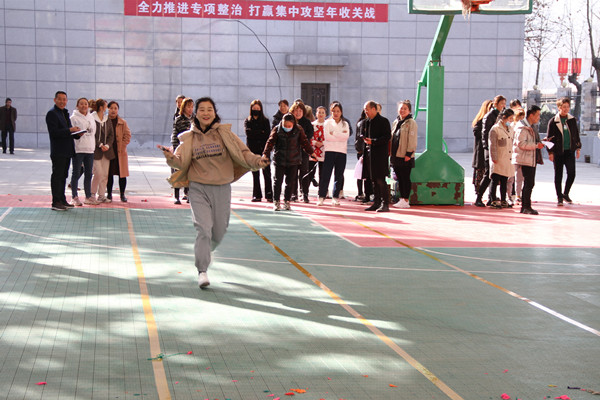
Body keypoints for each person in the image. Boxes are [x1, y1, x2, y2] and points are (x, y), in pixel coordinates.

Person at [159, 97, 269, 288]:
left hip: (222, 187)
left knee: (218, 232)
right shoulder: (189, 138)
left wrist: (257, 161)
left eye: (209, 109)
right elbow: (180, 161)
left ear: (214, 112)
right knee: (203, 229)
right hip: (198, 188)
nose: (206, 113)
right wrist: (170, 157)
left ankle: (205, 252)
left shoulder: (225, 134)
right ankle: (202, 270)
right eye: (202, 109)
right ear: (196, 114)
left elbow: (243, 153)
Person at [263, 113, 315, 211]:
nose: (287, 127)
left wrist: (311, 152)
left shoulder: (298, 129)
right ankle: (276, 201)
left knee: (290, 182)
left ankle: (287, 201)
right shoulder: (277, 129)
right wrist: (265, 154)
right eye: (285, 125)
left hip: (293, 160)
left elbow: (304, 142)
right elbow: (270, 142)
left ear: (293, 124)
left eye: (289, 126)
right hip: (279, 160)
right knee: (277, 181)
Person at [45, 91, 82, 211]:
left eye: (64, 99)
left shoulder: (65, 113)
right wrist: (70, 130)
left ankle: (62, 200)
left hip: (67, 150)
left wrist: (77, 134)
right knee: (57, 176)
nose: (62, 101)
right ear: (55, 100)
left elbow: (68, 131)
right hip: (58, 151)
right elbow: (54, 133)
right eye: (59, 99)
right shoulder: (52, 113)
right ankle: (55, 202)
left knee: (63, 176)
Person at [546, 97, 581, 206]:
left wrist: (578, 148)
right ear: (559, 107)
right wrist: (550, 152)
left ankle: (565, 193)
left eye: (568, 107)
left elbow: (576, 134)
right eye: (564, 107)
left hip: (569, 151)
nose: (566, 109)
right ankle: (559, 197)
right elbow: (549, 138)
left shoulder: (572, 120)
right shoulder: (553, 121)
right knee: (558, 175)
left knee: (572, 173)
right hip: (558, 152)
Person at [475, 95, 506, 207]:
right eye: (502, 103)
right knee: (489, 173)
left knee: (495, 175)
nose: (503, 106)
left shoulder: (500, 115)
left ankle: (491, 198)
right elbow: (485, 133)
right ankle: (479, 197)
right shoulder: (489, 116)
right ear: (495, 104)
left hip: (498, 148)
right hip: (490, 148)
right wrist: (487, 148)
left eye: (504, 104)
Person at [513, 105, 544, 215]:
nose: (539, 117)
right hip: (525, 158)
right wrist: (536, 145)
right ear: (531, 115)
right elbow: (521, 144)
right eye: (537, 115)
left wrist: (539, 143)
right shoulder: (522, 128)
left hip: (530, 158)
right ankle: (525, 206)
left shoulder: (531, 127)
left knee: (530, 183)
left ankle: (526, 206)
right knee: (528, 183)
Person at [317, 102, 350, 206]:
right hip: (329, 151)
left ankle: (335, 197)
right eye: (334, 111)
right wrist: (339, 135)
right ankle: (321, 196)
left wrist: (334, 133)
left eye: (338, 111)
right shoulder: (327, 123)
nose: (336, 113)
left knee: (339, 175)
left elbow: (346, 137)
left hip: (342, 152)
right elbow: (327, 137)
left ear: (341, 112)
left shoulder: (345, 124)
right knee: (325, 175)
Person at [363, 100, 391, 212]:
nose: (365, 111)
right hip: (370, 154)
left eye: (367, 109)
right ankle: (376, 202)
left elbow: (387, 137)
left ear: (374, 109)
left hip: (380, 155)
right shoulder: (367, 122)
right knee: (373, 180)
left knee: (380, 180)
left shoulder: (384, 121)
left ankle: (385, 203)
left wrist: (373, 141)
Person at [70, 98, 98, 206]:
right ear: (77, 106)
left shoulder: (91, 117)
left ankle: (88, 197)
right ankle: (74, 197)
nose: (84, 106)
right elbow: (72, 133)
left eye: (85, 104)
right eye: (81, 104)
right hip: (78, 149)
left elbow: (93, 132)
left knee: (88, 174)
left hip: (90, 149)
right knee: (76, 173)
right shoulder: (73, 118)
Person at [485, 108, 515, 209]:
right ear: (504, 118)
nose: (511, 121)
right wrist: (494, 158)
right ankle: (493, 200)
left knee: (504, 180)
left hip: (507, 159)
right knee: (495, 180)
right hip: (498, 159)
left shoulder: (510, 129)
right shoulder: (495, 129)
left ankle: (503, 200)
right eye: (510, 118)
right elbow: (492, 145)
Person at [244, 99, 273, 203]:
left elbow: (267, 135)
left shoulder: (265, 121)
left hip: (264, 150)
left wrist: (257, 133)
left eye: (258, 108)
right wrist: (260, 132)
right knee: (255, 173)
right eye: (254, 108)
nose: (256, 110)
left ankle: (269, 195)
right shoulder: (248, 121)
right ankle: (257, 195)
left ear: (261, 109)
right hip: (252, 151)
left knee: (267, 173)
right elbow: (249, 134)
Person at [390, 100, 418, 209]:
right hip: (396, 155)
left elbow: (412, 139)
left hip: (405, 156)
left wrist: (409, 153)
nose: (402, 110)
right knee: (400, 178)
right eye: (401, 108)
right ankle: (402, 199)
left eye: (405, 108)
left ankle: (406, 199)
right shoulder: (396, 121)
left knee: (405, 178)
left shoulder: (411, 123)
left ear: (409, 110)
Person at [106, 101, 132, 203]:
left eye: (115, 108)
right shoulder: (104, 121)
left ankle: (122, 194)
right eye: (111, 108)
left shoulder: (122, 122)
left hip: (120, 152)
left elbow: (128, 135)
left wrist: (122, 145)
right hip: (108, 151)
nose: (113, 110)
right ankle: (109, 194)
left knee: (122, 174)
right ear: (107, 109)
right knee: (109, 174)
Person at [90, 99, 115, 203]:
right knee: (98, 173)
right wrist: (100, 144)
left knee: (105, 174)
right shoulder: (92, 118)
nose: (107, 108)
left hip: (106, 151)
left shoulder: (107, 118)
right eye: (106, 106)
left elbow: (111, 134)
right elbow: (91, 133)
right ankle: (92, 194)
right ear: (101, 107)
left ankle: (101, 195)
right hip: (96, 150)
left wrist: (107, 145)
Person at [289, 101, 314, 202]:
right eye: (296, 110)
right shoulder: (289, 121)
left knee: (304, 173)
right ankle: (293, 194)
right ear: (292, 111)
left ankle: (305, 194)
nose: (298, 113)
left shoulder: (307, 122)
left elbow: (310, 135)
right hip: (292, 152)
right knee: (293, 174)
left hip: (303, 151)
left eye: (300, 111)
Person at [171, 97, 194, 204]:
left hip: (191, 150)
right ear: (184, 107)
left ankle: (188, 194)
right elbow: (177, 135)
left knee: (190, 173)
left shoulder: (195, 119)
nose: (190, 109)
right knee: (178, 173)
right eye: (188, 107)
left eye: (192, 107)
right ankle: (176, 196)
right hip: (180, 149)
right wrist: (176, 150)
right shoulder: (179, 119)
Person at [303, 106, 326, 198]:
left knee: (323, 174)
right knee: (310, 172)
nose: (320, 114)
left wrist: (323, 143)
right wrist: (315, 142)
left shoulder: (328, 125)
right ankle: (305, 192)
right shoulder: (312, 124)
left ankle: (322, 193)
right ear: (316, 114)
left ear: (325, 114)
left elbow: (330, 138)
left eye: (322, 112)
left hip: (324, 152)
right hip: (313, 152)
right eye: (319, 112)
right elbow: (308, 137)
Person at [471, 99, 492, 197]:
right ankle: (479, 194)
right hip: (481, 152)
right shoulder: (480, 122)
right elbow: (477, 133)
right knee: (481, 172)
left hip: (488, 151)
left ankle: (489, 195)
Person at [355, 110, 373, 203]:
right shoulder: (363, 123)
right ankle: (363, 193)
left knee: (362, 174)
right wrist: (361, 152)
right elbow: (359, 138)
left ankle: (363, 193)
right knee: (363, 173)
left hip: (363, 151)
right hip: (364, 151)